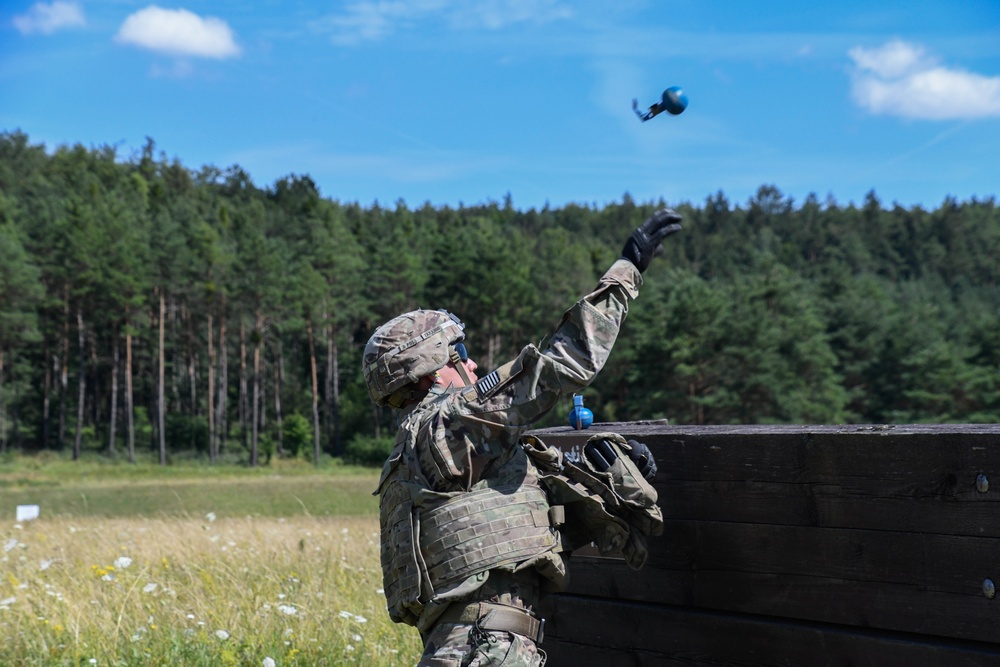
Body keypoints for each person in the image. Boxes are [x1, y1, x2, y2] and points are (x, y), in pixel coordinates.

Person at [363, 209, 682, 666]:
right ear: (433, 368)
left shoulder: (413, 453)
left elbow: (509, 526)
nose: (472, 366)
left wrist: (607, 471)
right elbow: (560, 364)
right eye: (462, 355)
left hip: (465, 648)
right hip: (489, 648)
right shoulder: (453, 424)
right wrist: (626, 271)